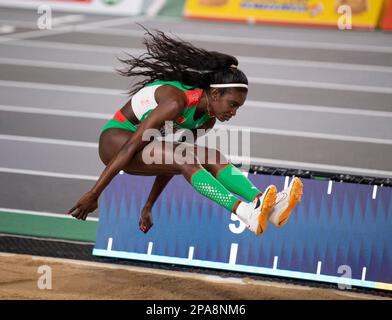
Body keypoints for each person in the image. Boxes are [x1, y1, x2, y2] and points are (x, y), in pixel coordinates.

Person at [67, 27, 303, 236]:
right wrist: (94, 193)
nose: (234, 113)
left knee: (212, 156)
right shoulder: (175, 102)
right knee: (187, 156)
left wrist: (149, 205)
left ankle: (264, 205)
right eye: (232, 104)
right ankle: (245, 212)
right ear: (215, 94)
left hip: (143, 147)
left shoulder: (206, 119)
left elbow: (173, 162)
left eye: (238, 107)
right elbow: (133, 146)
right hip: (116, 143)